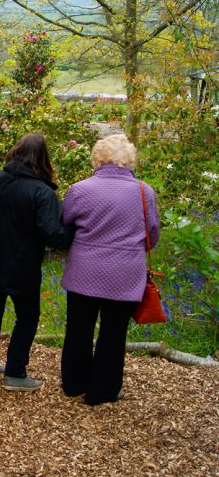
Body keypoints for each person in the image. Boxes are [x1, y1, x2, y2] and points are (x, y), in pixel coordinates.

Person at [0, 134, 72, 391]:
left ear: (15, 153)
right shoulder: (42, 193)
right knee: (27, 316)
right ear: (43, 160)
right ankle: (15, 372)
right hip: (22, 268)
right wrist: (76, 230)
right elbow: (54, 235)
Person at [60, 134, 160, 405]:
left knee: (78, 329)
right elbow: (152, 233)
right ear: (128, 160)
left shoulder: (79, 189)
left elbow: (66, 221)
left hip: (84, 271)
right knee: (113, 334)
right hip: (125, 274)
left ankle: (73, 383)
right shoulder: (144, 191)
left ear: (97, 159)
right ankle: (102, 391)